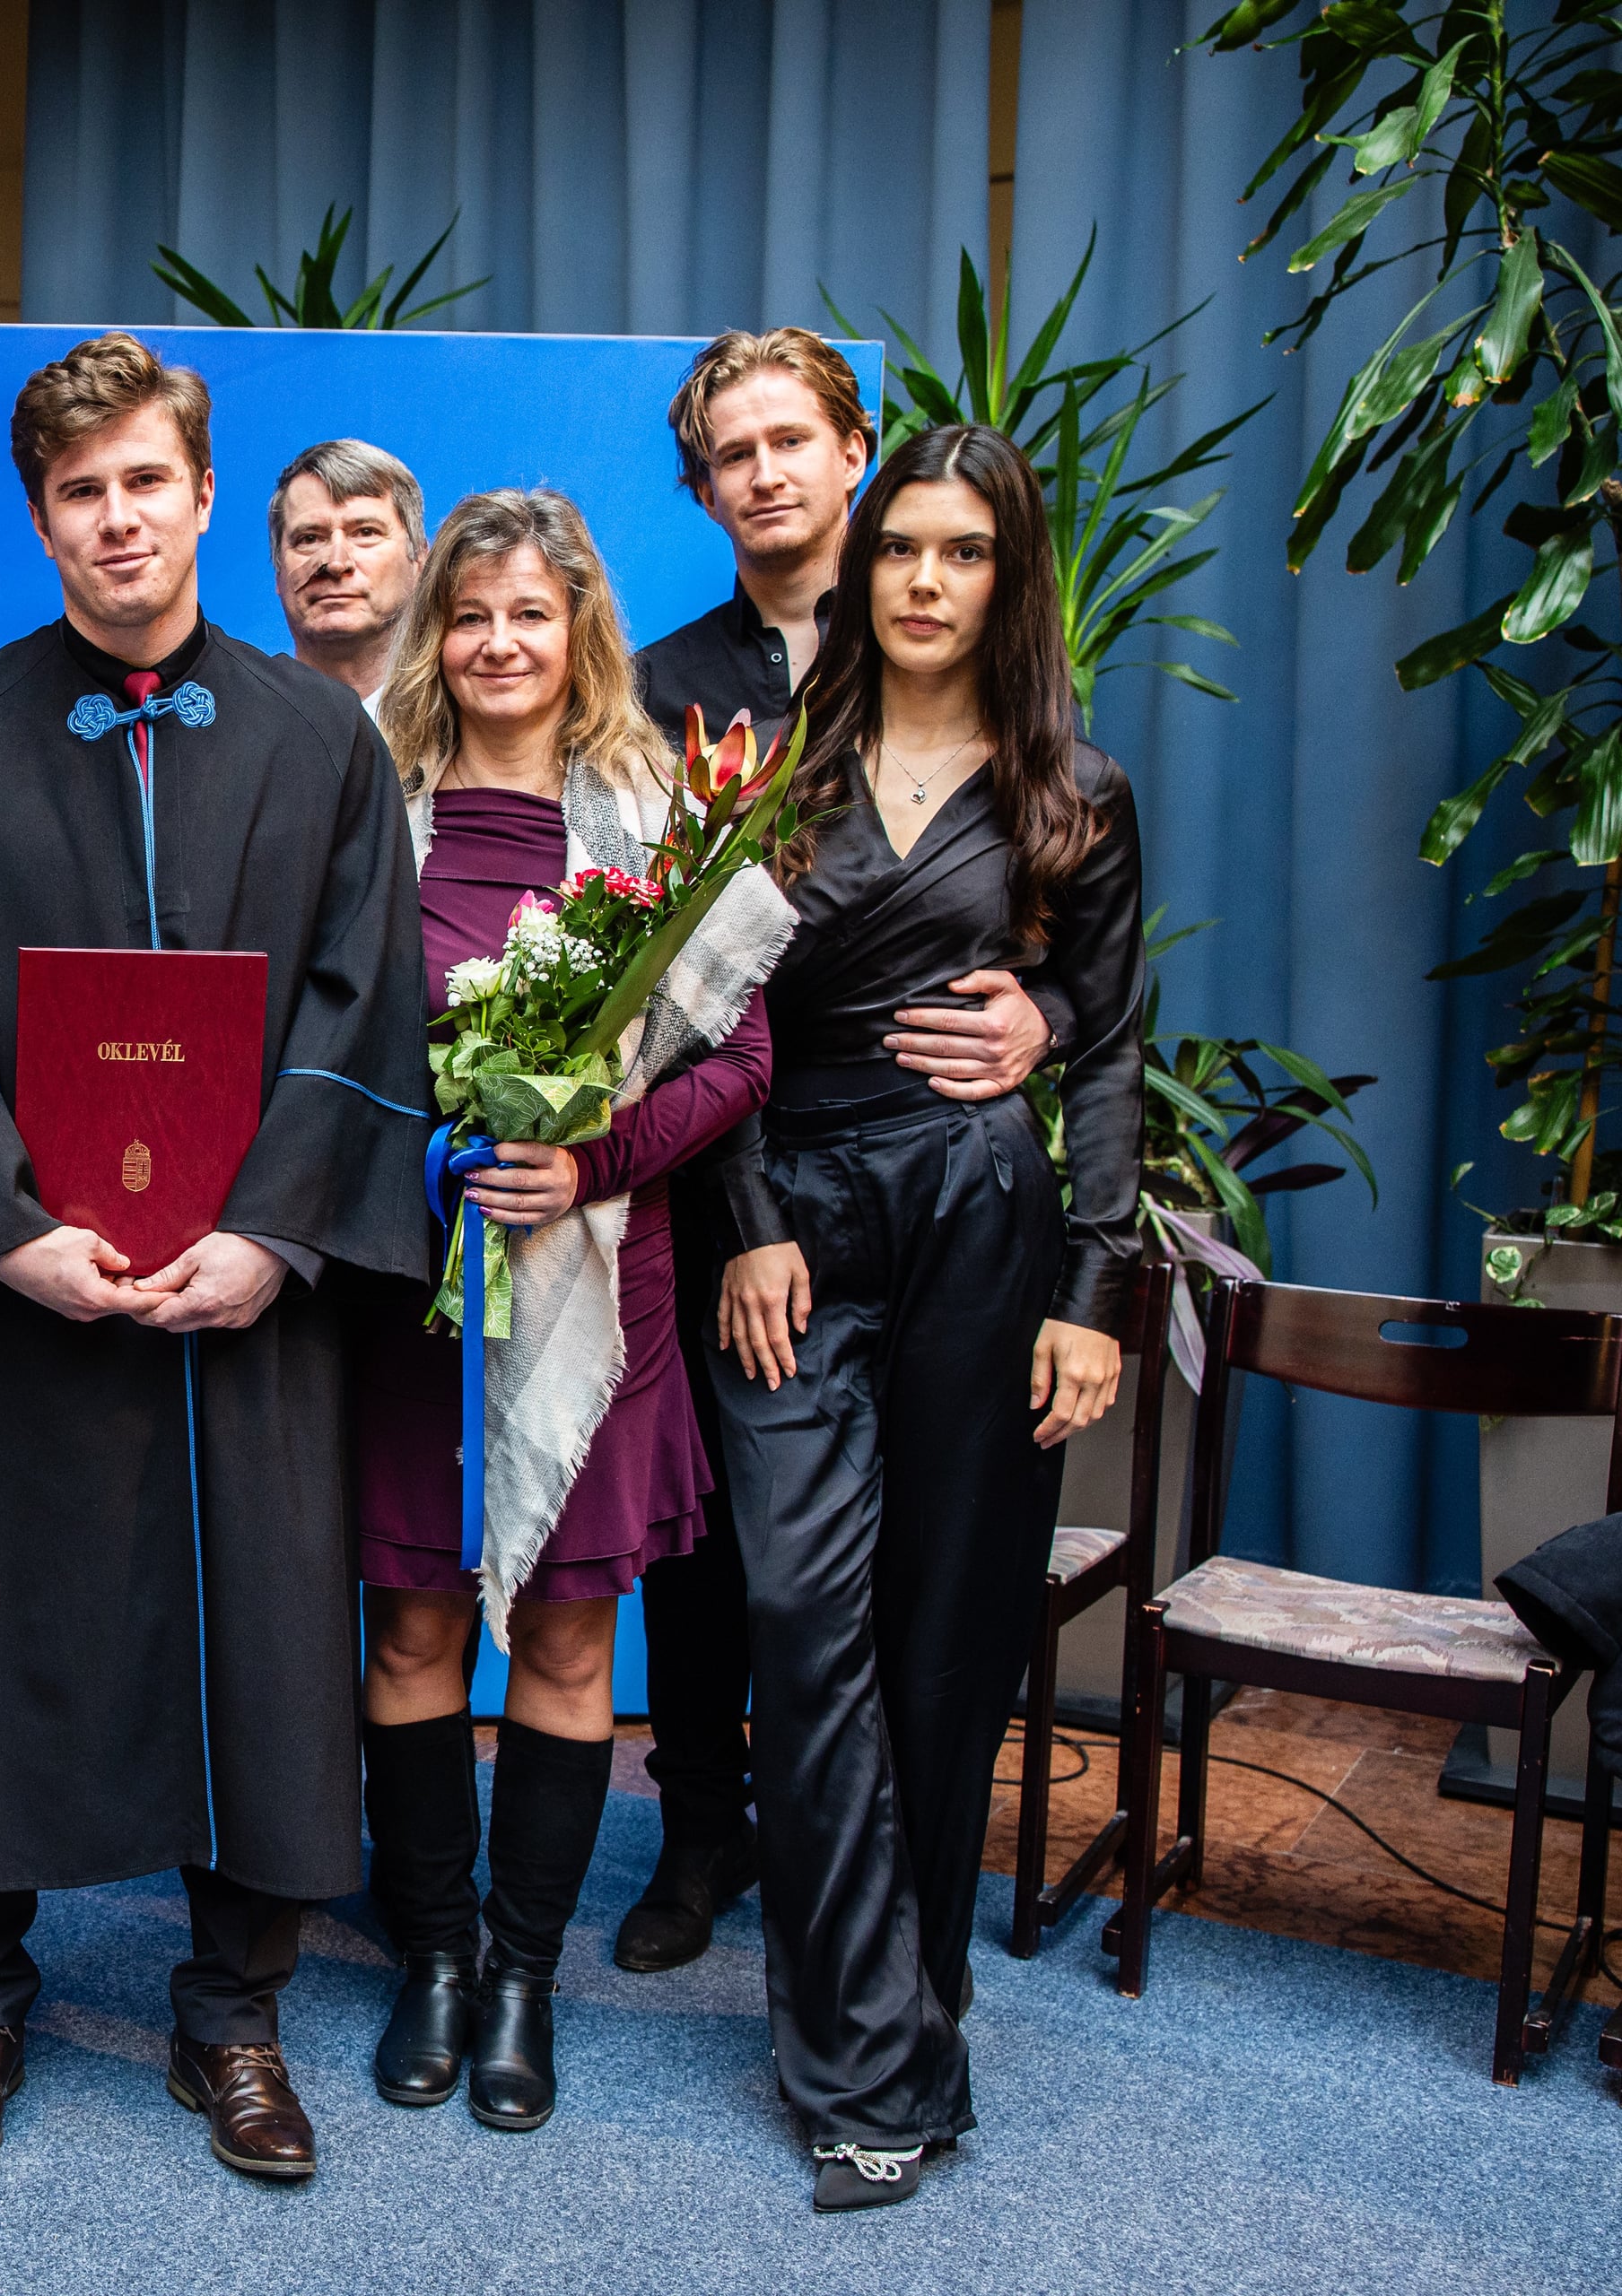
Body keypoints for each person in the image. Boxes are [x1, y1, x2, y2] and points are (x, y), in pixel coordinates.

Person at [0, 333, 429, 2182]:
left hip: (250, 1296)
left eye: (146, 481)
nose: (116, 518)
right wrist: (6, 1229)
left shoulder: (320, 738)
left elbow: (363, 1004)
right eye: (79, 491)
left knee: (262, 1640)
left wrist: (276, 1233)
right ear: (40, 518)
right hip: (25, 1288)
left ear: (201, 494)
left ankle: (233, 2015)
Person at [708, 422, 1142, 2213]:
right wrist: (741, 1224)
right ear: (861, 564)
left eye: (964, 551)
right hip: (793, 1228)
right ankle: (881, 2038)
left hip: (980, 1216)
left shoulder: (1075, 795)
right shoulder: (765, 774)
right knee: (802, 1621)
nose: (924, 580)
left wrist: (1095, 1291)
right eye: (899, 546)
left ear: (1007, 576)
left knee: (946, 1633)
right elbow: (705, 1020)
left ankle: (884, 2035)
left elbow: (1109, 1044)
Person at [616, 329, 1059, 1976]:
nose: (766, 475)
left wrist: (1049, 1017)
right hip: (725, 1169)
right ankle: (702, 1833)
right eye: (731, 454)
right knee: (715, 1541)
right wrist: (741, 1209)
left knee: (898, 1561)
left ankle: (867, 1878)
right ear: (702, 488)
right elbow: (663, 967)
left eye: (790, 440)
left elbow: (1055, 916)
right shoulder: (661, 686)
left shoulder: (982, 678)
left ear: (854, 450)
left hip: (927, 1185)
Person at [353, 490, 780, 2136]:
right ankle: (434, 1956)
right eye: (470, 615)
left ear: (580, 627)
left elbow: (741, 1059)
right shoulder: (369, 803)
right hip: (415, 1289)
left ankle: (524, 1974)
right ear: (434, 632)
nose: (498, 644)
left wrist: (586, 1157)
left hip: (603, 1286)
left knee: (569, 1635)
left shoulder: (660, 818)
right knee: (412, 1628)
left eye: (530, 613)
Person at [268, 439, 424, 714]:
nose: (336, 563)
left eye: (366, 533)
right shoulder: (235, 722)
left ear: (420, 561)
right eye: (309, 539)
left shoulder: (476, 725)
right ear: (278, 571)